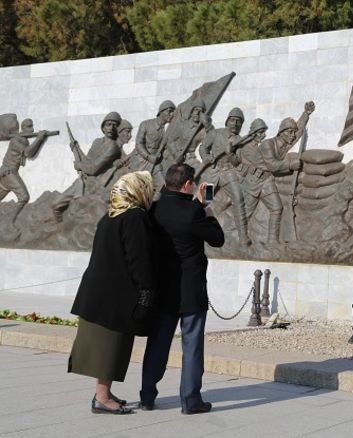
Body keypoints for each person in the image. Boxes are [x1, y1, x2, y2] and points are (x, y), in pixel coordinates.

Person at [68, 171, 156, 415]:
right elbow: (139, 259)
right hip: (114, 296)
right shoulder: (135, 217)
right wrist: (146, 292)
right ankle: (102, 398)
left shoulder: (109, 216)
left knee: (108, 345)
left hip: (97, 293)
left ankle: (104, 393)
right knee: (110, 346)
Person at [140, 163, 224, 415]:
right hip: (191, 289)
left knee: (157, 344)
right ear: (188, 185)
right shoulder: (193, 212)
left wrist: (195, 206)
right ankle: (190, 400)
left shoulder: (153, 209)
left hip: (163, 289)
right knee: (192, 346)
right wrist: (206, 207)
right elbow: (217, 238)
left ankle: (147, 396)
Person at [258, 101, 315, 242]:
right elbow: (271, 165)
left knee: (277, 208)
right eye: (290, 132)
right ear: (281, 133)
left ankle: (272, 242)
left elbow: (299, 129)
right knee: (245, 210)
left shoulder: (285, 144)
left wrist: (306, 114)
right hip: (254, 180)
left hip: (266, 181)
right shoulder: (268, 144)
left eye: (293, 133)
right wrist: (290, 165)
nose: (293, 135)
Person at [52, 111, 124, 221]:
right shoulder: (97, 142)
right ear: (103, 128)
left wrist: (78, 165)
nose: (111, 128)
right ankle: (59, 225)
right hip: (83, 181)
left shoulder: (113, 147)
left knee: (78, 215)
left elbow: (93, 169)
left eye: (115, 125)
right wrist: (76, 149)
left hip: (94, 185)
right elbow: (88, 161)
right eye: (108, 124)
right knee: (55, 205)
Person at [199, 107, 252, 245]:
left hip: (228, 173)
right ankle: (197, 231)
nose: (235, 123)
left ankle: (243, 236)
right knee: (204, 201)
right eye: (233, 120)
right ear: (227, 121)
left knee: (239, 199)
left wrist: (230, 154)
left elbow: (237, 161)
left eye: (239, 122)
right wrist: (207, 157)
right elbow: (203, 147)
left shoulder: (240, 140)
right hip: (213, 173)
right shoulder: (216, 134)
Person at [0, 118, 48, 229]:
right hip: (8, 171)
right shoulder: (16, 140)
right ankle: (9, 223)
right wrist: (39, 139)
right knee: (24, 197)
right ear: (23, 128)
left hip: (7, 172)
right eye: (29, 127)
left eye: (32, 126)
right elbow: (28, 153)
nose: (32, 130)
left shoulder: (23, 140)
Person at [126, 100, 176, 190]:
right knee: (136, 188)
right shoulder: (145, 124)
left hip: (155, 162)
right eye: (169, 111)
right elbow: (139, 143)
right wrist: (149, 157)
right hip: (140, 160)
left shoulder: (167, 131)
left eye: (173, 112)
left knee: (162, 185)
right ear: (161, 112)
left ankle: (153, 204)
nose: (172, 114)